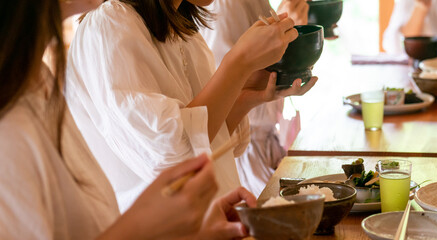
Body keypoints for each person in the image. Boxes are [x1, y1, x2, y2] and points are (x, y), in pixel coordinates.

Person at [0, 0, 256, 239]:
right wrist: (239, 64)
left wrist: (190, 229)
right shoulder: (11, 119)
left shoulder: (38, 83)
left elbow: (87, 224)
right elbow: (174, 148)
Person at [65, 0, 299, 211]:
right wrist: (238, 63)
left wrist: (246, 92)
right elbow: (175, 155)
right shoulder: (108, 25)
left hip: (212, 221)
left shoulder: (184, 32)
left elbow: (206, 138)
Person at [201, 0, 314, 196]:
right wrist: (288, 35)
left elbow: (264, 75)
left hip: (262, 141)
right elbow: (222, 95)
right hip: (241, 149)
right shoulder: (226, 6)